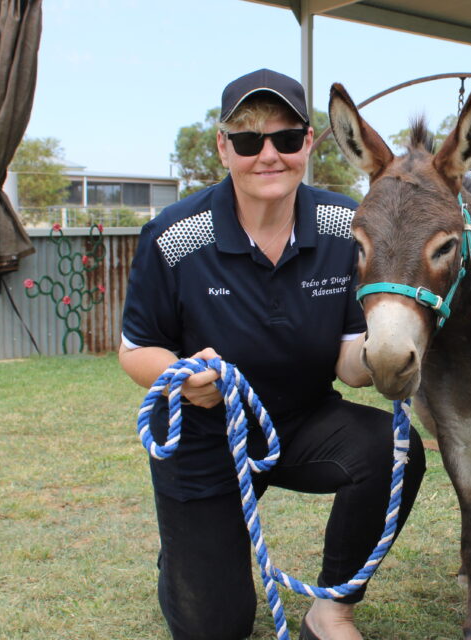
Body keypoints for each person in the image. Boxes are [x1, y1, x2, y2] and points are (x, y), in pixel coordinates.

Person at [119, 68, 426, 640]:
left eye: (286, 139)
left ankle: (331, 611)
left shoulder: (343, 226)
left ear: (307, 143)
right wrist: (182, 377)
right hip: (204, 435)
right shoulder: (175, 235)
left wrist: (385, 355)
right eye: (248, 140)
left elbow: (346, 363)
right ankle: (188, 551)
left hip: (301, 419)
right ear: (222, 147)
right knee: (218, 626)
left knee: (395, 452)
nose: (269, 156)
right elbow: (136, 350)